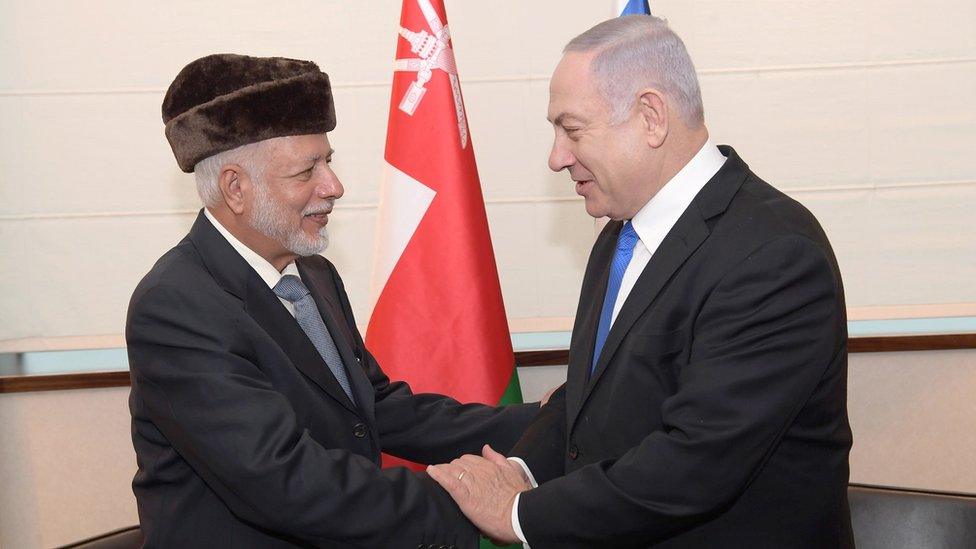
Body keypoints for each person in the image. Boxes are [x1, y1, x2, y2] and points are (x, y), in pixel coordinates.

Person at [428, 15, 854, 547]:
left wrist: (519, 514)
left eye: (572, 129)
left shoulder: (773, 254)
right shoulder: (620, 234)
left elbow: (699, 460)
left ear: (651, 116)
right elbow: (592, 397)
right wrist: (520, 469)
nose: (557, 157)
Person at [126, 53, 538, 548]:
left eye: (329, 162)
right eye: (307, 171)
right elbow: (284, 481)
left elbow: (375, 411)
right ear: (236, 187)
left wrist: (545, 421)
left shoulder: (313, 273)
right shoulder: (177, 306)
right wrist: (474, 495)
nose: (334, 187)